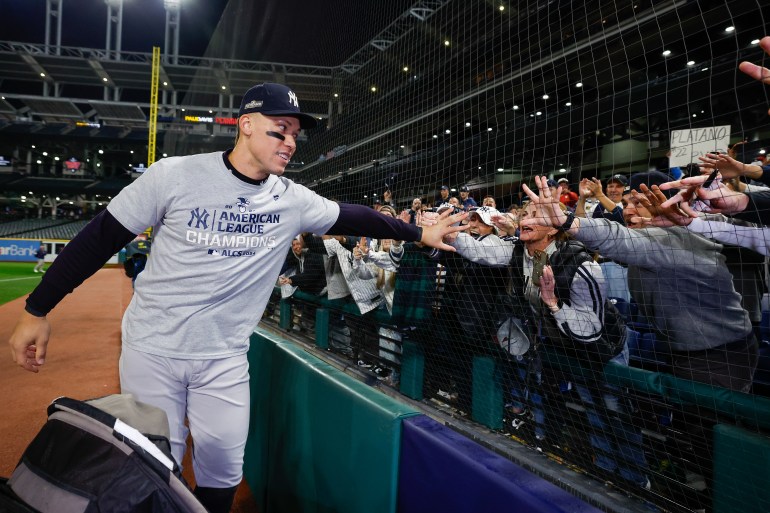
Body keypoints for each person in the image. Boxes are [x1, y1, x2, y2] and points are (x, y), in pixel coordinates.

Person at [7, 82, 467, 513]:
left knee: (224, 468)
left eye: (294, 136)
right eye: (279, 130)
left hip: (223, 357)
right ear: (246, 125)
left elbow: (357, 217)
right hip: (152, 349)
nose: (290, 142)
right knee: (153, 461)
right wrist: (36, 309)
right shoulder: (175, 175)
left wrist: (420, 231)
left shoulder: (292, 199)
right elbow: (99, 238)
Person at [521, 173, 758, 393]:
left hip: (718, 355)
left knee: (707, 430)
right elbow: (605, 241)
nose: (627, 211)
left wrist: (566, 221)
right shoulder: (650, 239)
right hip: (689, 349)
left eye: (638, 203)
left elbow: (616, 238)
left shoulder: (672, 238)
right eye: (627, 203)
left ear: (664, 204)